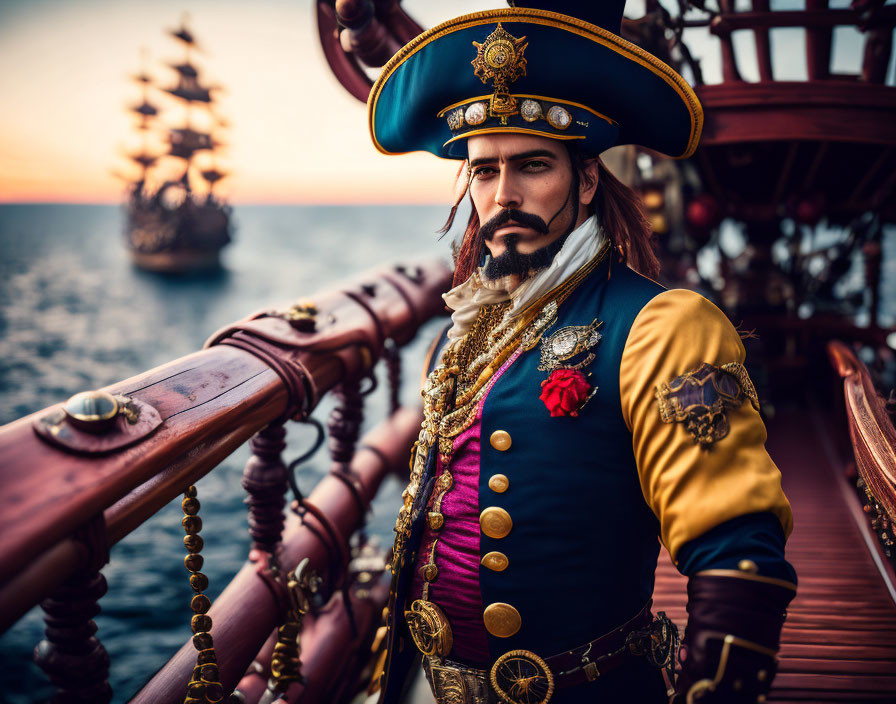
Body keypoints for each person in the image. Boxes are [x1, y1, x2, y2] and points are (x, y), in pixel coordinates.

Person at [366, 2, 797, 702]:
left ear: (587, 180)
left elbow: (737, 559)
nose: (503, 196)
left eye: (532, 166)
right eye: (483, 173)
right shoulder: (461, 333)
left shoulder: (663, 327)